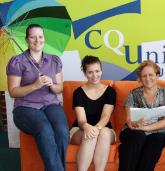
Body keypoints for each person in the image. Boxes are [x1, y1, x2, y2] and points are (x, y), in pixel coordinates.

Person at [6, 24, 69, 171]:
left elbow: (59, 88)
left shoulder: (54, 61)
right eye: (33, 37)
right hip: (25, 108)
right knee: (45, 128)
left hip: (51, 105)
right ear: (27, 40)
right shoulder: (17, 61)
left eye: (40, 36)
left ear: (44, 39)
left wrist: (51, 84)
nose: (37, 40)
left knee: (61, 131)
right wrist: (35, 85)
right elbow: (13, 92)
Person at [118, 60, 165, 171]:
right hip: (134, 131)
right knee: (138, 136)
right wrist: (136, 124)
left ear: (157, 75)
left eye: (151, 75)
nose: (148, 78)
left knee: (157, 140)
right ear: (140, 78)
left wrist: (145, 128)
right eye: (144, 76)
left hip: (157, 132)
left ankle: (125, 149)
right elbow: (129, 121)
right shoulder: (133, 94)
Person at [69, 55, 116, 171]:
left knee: (103, 133)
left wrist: (97, 128)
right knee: (90, 135)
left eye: (97, 71)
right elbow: (81, 120)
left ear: (101, 70)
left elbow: (106, 116)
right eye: (90, 72)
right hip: (80, 129)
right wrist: (87, 127)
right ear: (85, 73)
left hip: (104, 128)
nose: (95, 75)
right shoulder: (78, 93)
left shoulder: (110, 92)